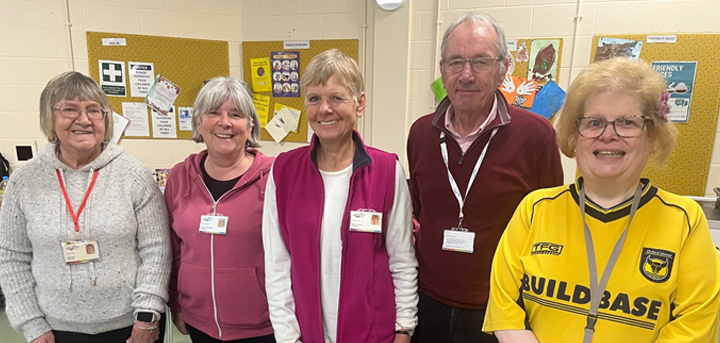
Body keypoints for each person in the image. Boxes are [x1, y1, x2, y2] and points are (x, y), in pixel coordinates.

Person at [483, 57, 720, 342]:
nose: (608, 135)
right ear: (575, 134)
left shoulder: (684, 220)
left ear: (653, 137)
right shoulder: (535, 210)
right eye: (594, 122)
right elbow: (504, 307)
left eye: (627, 122)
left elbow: (695, 324)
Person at [406, 11, 564, 343]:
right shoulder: (420, 133)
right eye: (455, 62)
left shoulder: (536, 135)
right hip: (428, 304)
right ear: (442, 69)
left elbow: (550, 226)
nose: (466, 74)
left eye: (480, 62)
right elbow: (421, 211)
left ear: (503, 68)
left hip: (500, 310)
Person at [0, 71, 170, 343]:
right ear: (49, 117)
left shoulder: (134, 175)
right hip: (55, 329)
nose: (84, 119)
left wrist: (148, 314)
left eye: (94, 110)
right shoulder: (25, 181)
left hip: (130, 325)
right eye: (70, 109)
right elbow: (11, 257)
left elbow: (157, 248)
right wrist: (32, 324)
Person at [263, 48, 418, 343]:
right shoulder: (283, 172)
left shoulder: (386, 170)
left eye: (336, 98)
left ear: (359, 104)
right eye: (314, 99)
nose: (325, 109)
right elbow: (277, 263)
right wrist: (288, 337)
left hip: (374, 333)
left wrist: (404, 329)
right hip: (306, 334)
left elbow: (401, 258)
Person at [165, 77, 276, 343]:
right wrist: (176, 304)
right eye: (214, 112)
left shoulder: (275, 177)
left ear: (250, 127)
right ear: (198, 123)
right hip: (199, 324)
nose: (224, 122)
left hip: (263, 327)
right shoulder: (180, 176)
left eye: (236, 114)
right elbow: (173, 249)